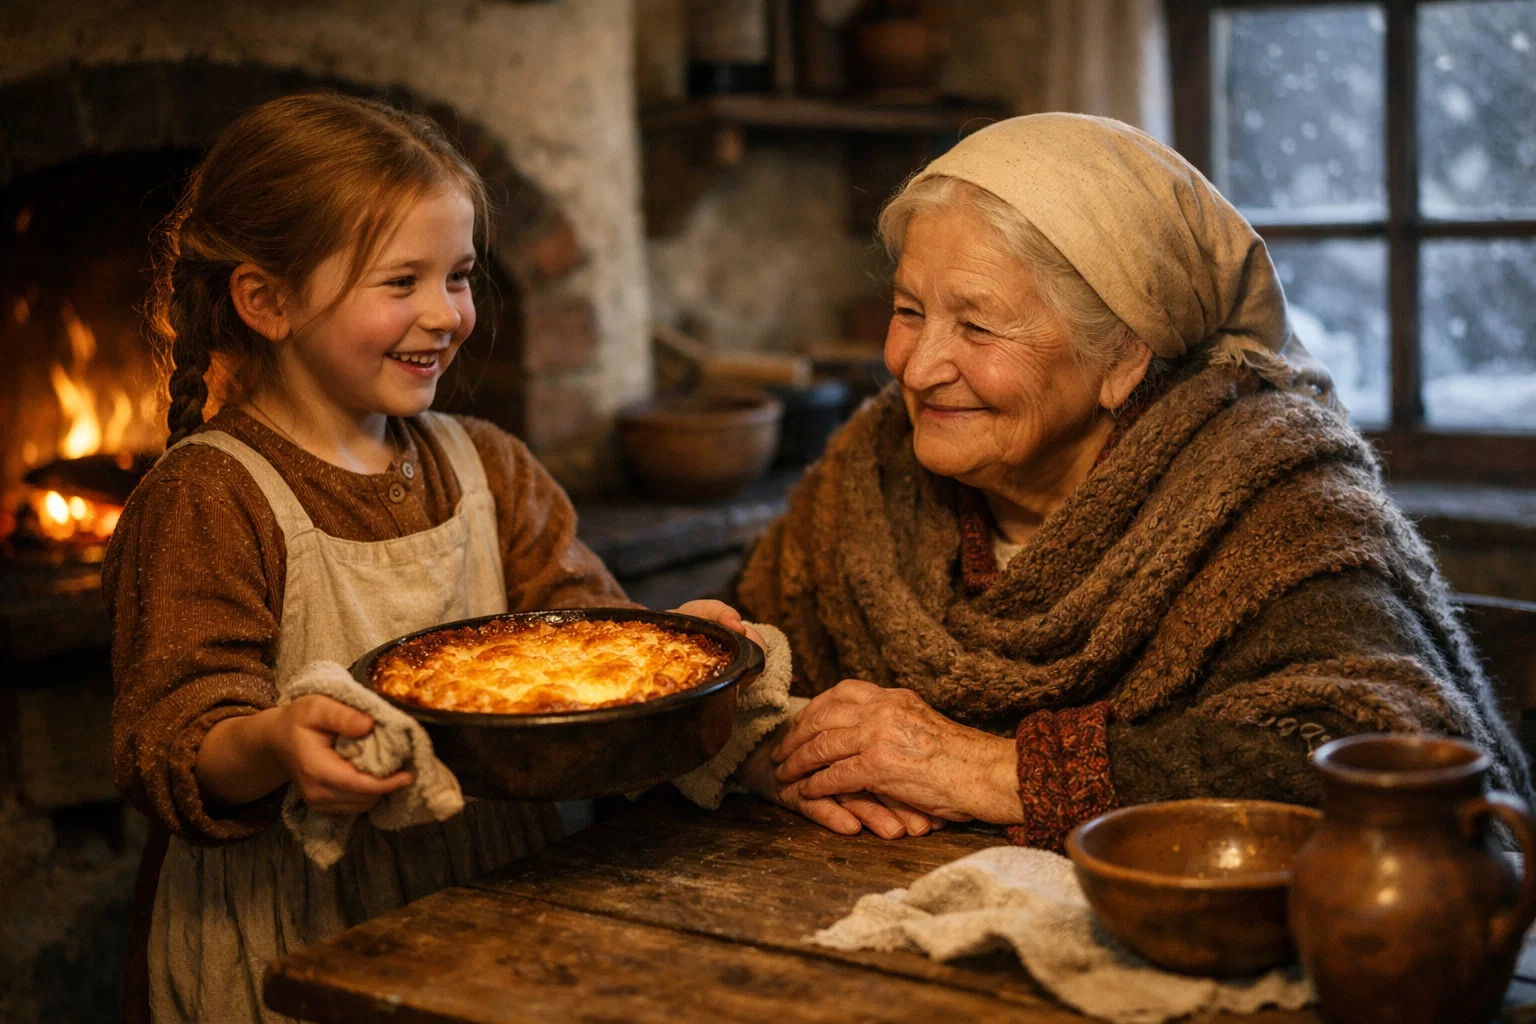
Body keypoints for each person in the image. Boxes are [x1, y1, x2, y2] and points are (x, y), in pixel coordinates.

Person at [105, 91, 753, 1024]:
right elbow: (171, 739)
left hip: (497, 884)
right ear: (267, 300)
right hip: (295, 926)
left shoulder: (485, 464)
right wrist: (275, 743)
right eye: (400, 282)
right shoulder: (212, 495)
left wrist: (670, 649)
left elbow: (585, 635)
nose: (446, 314)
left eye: (458, 276)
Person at [727, 113, 1532, 849]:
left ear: (1123, 356)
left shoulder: (1271, 499)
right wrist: (766, 755)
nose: (919, 365)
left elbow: (1388, 766)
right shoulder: (872, 470)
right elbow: (743, 678)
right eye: (909, 311)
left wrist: (982, 771)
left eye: (976, 325)